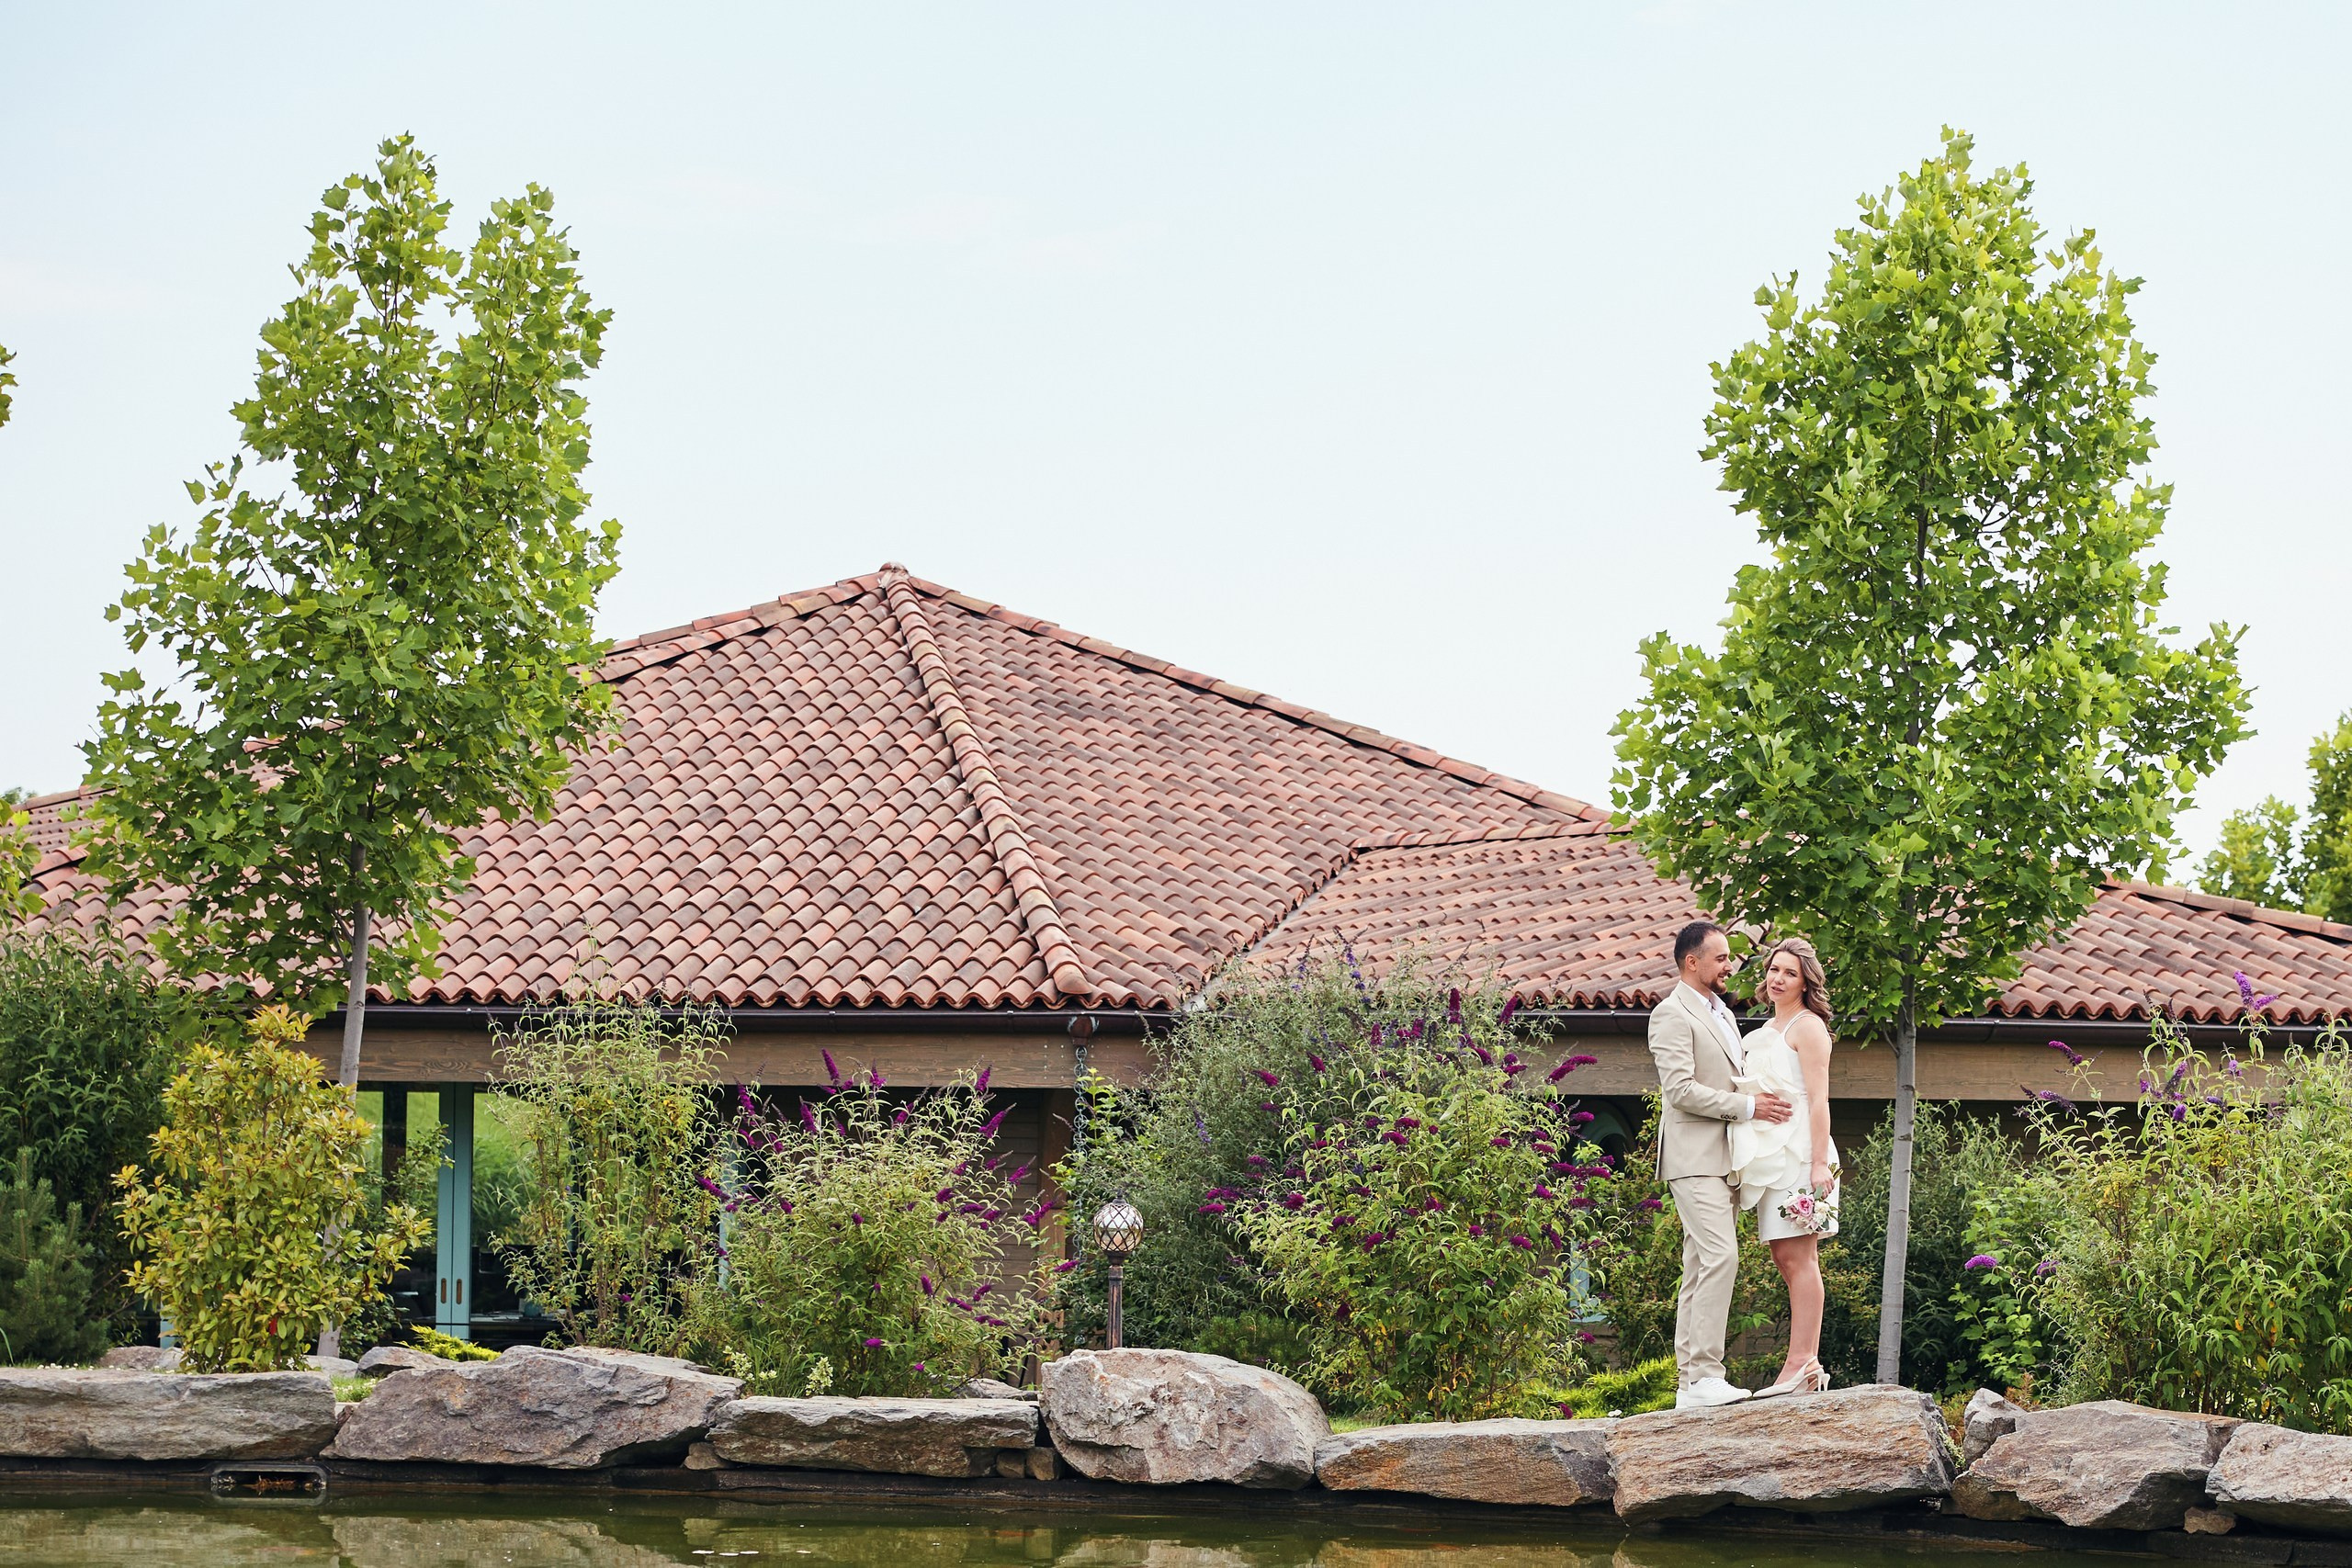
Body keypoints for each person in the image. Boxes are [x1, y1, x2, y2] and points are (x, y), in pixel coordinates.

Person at [1646, 919, 1792, 1410]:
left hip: (1725, 1157)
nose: (1731, 966)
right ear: (1693, 962)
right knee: (1719, 1256)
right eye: (1722, 958)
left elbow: (1732, 1079)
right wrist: (1750, 1108)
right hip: (1693, 1157)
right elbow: (1680, 1091)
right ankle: (1706, 1373)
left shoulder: (1722, 1013)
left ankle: (1691, 1384)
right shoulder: (1671, 1014)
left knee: (1699, 1263)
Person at [1728, 935, 1841, 1398]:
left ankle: (1802, 1364)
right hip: (1769, 1153)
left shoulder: (1808, 1027)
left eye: (1790, 973)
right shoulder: (1763, 1030)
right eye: (1775, 970)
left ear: (1805, 981)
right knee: (1784, 1254)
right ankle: (1805, 1367)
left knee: (1800, 1256)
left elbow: (1819, 1099)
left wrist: (1819, 1164)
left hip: (1800, 1154)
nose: (1778, 979)